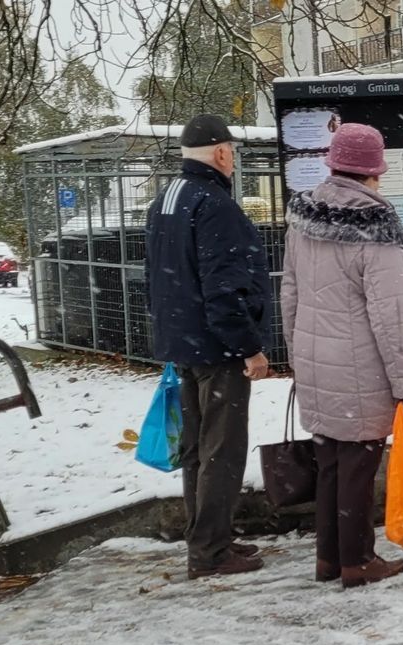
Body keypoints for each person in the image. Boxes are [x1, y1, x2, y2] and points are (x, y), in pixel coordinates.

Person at [281, 123, 403, 589]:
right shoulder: (377, 226)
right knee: (358, 467)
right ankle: (358, 561)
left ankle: (328, 559)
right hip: (363, 368)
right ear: (373, 172)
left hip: (316, 361)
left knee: (331, 466)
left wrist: (299, 353)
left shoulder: (303, 215)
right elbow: (391, 315)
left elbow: (290, 290)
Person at [144, 114, 271, 580]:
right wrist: (248, 347)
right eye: (232, 152)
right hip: (217, 349)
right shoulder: (214, 205)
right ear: (221, 153)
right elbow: (225, 289)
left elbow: (164, 275)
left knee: (197, 448)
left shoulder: (167, 199)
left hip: (183, 343)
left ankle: (207, 538)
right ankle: (211, 551)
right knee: (222, 450)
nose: (233, 160)